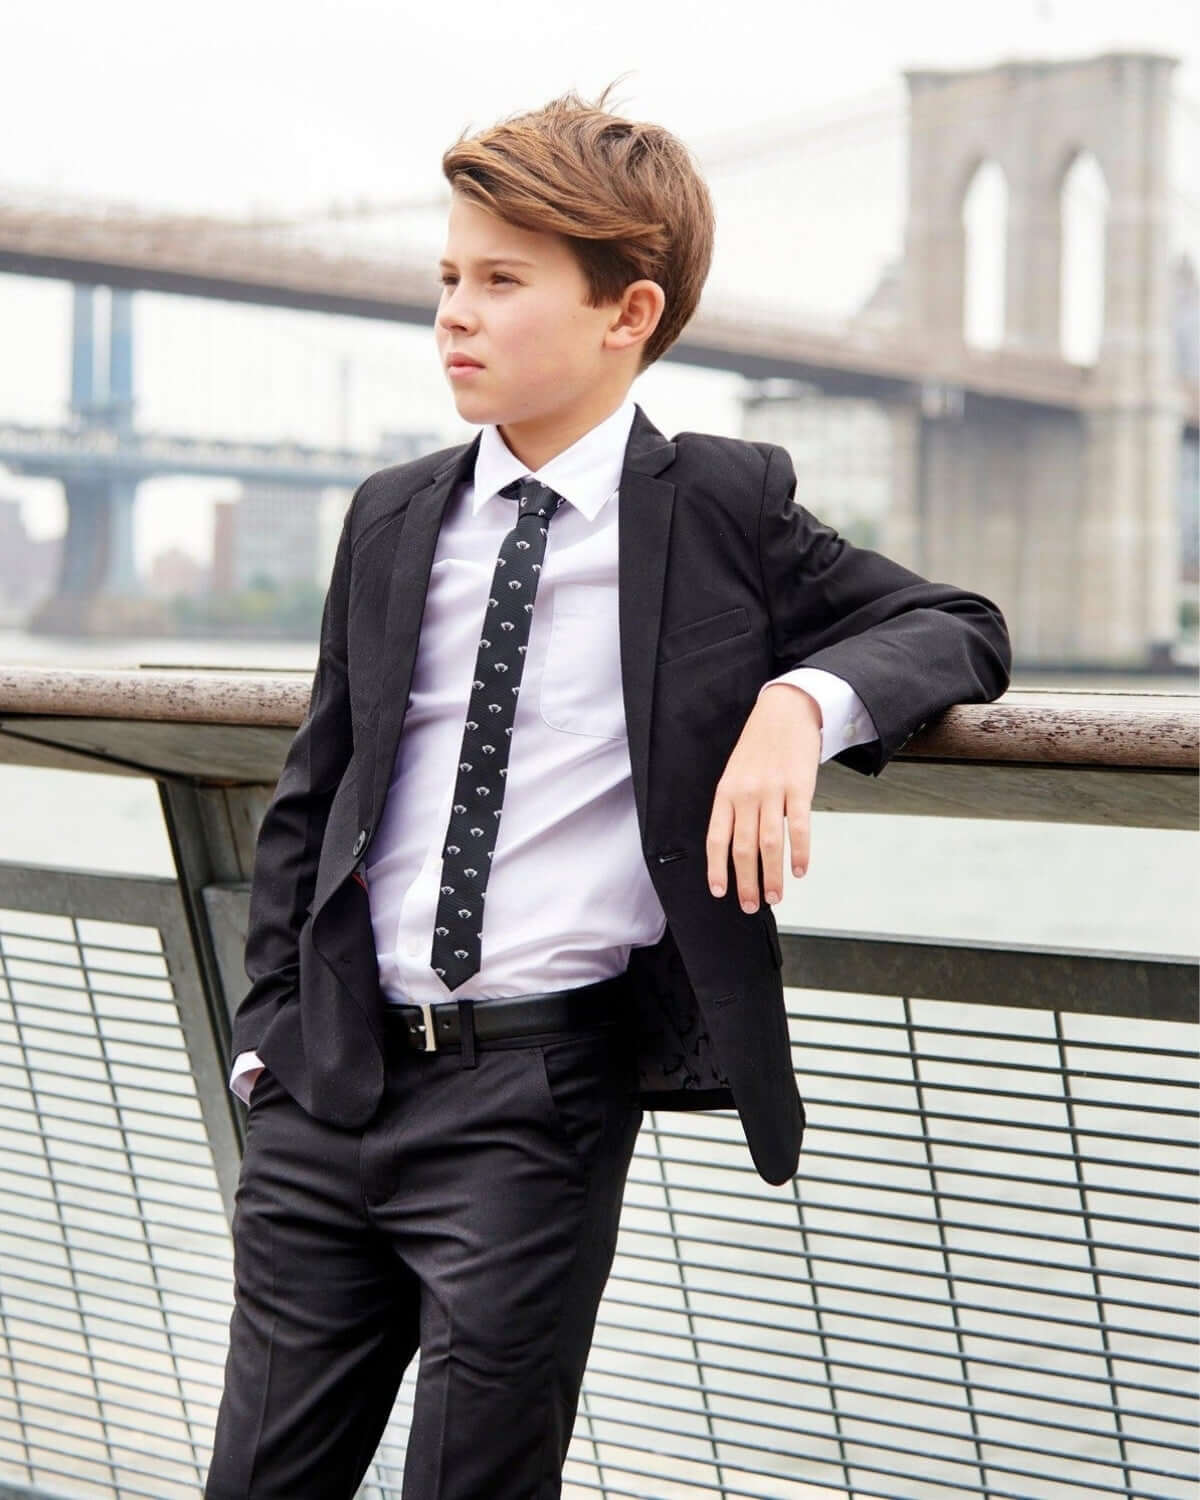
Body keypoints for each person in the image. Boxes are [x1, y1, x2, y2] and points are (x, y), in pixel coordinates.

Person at [204, 80, 1011, 1499]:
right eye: (449, 277)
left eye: (501, 282)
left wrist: (799, 706)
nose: (453, 314)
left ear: (627, 313)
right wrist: (267, 1045)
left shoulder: (719, 505)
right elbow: (313, 792)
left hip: (531, 1104)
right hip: (325, 1087)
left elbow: (958, 626)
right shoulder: (391, 514)